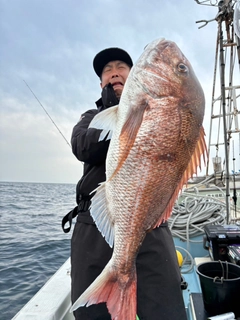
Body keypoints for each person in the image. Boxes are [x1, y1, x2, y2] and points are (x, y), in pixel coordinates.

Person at [64, 47, 187, 320]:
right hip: (93, 226)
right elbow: (82, 147)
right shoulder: (90, 117)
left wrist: (148, 118)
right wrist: (121, 116)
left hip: (150, 222)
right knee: (93, 314)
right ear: (101, 83)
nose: (114, 72)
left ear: (134, 76)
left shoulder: (161, 109)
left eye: (121, 66)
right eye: (107, 70)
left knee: (166, 308)